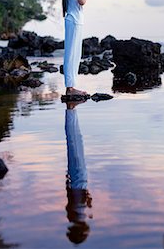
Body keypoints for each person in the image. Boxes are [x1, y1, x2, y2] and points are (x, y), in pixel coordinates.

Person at [64, 100, 92, 244]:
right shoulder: (74, 215)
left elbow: (78, 197)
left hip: (78, 182)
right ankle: (71, 112)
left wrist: (88, 199)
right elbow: (74, 197)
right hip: (77, 182)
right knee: (75, 146)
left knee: (75, 146)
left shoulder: (77, 215)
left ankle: (71, 112)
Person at [62, 0, 89, 96]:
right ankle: (70, 88)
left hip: (76, 21)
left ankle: (71, 86)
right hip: (73, 20)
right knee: (71, 54)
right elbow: (82, 2)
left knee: (75, 54)